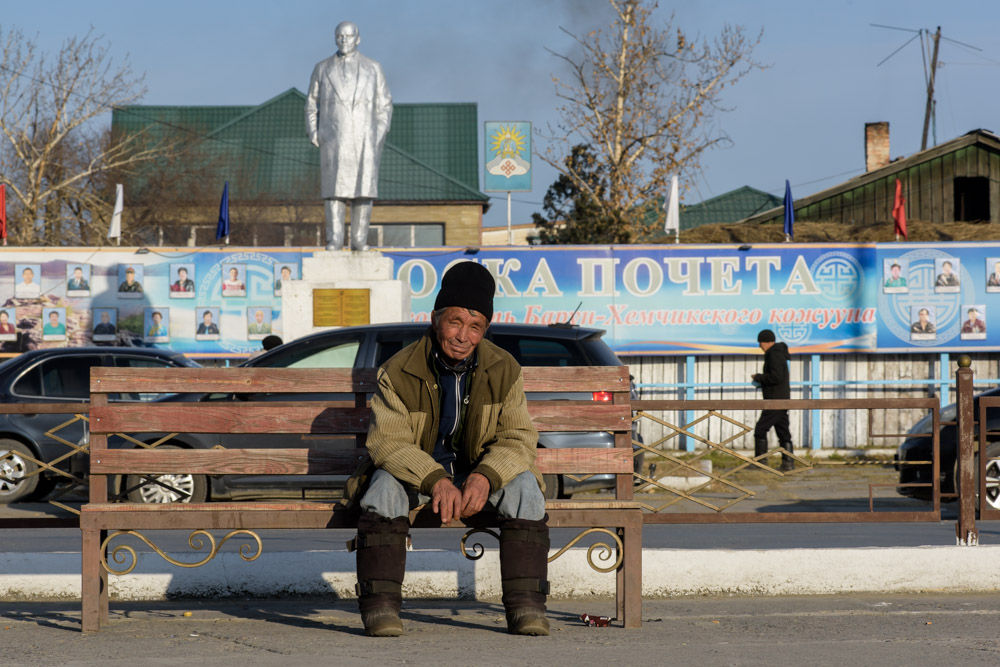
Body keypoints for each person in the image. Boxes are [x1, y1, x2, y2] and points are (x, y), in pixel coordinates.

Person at [343, 262, 548, 637]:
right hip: (418, 474)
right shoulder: (399, 370)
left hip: (477, 475)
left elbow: (518, 437)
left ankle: (527, 609)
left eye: (476, 327)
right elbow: (387, 442)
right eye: (455, 322)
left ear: (486, 329)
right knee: (383, 489)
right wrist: (435, 479)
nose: (463, 336)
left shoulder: (505, 368)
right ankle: (381, 610)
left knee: (524, 490)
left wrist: (486, 476)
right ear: (435, 318)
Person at [306, 20, 392, 251]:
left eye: (349, 36)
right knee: (334, 191)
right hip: (333, 139)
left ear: (358, 38)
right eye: (340, 37)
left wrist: (378, 134)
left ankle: (359, 240)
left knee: (363, 191)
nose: (344, 40)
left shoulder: (373, 68)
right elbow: (312, 103)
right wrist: (314, 130)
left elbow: (384, 105)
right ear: (335, 39)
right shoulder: (322, 68)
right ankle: (334, 240)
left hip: (365, 138)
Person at [751, 329, 794, 472]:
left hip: (775, 400)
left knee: (760, 429)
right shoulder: (778, 353)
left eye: (761, 343)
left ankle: (760, 461)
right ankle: (788, 463)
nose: (760, 346)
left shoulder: (774, 355)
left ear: (768, 342)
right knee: (783, 432)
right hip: (781, 399)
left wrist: (758, 377)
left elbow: (775, 377)